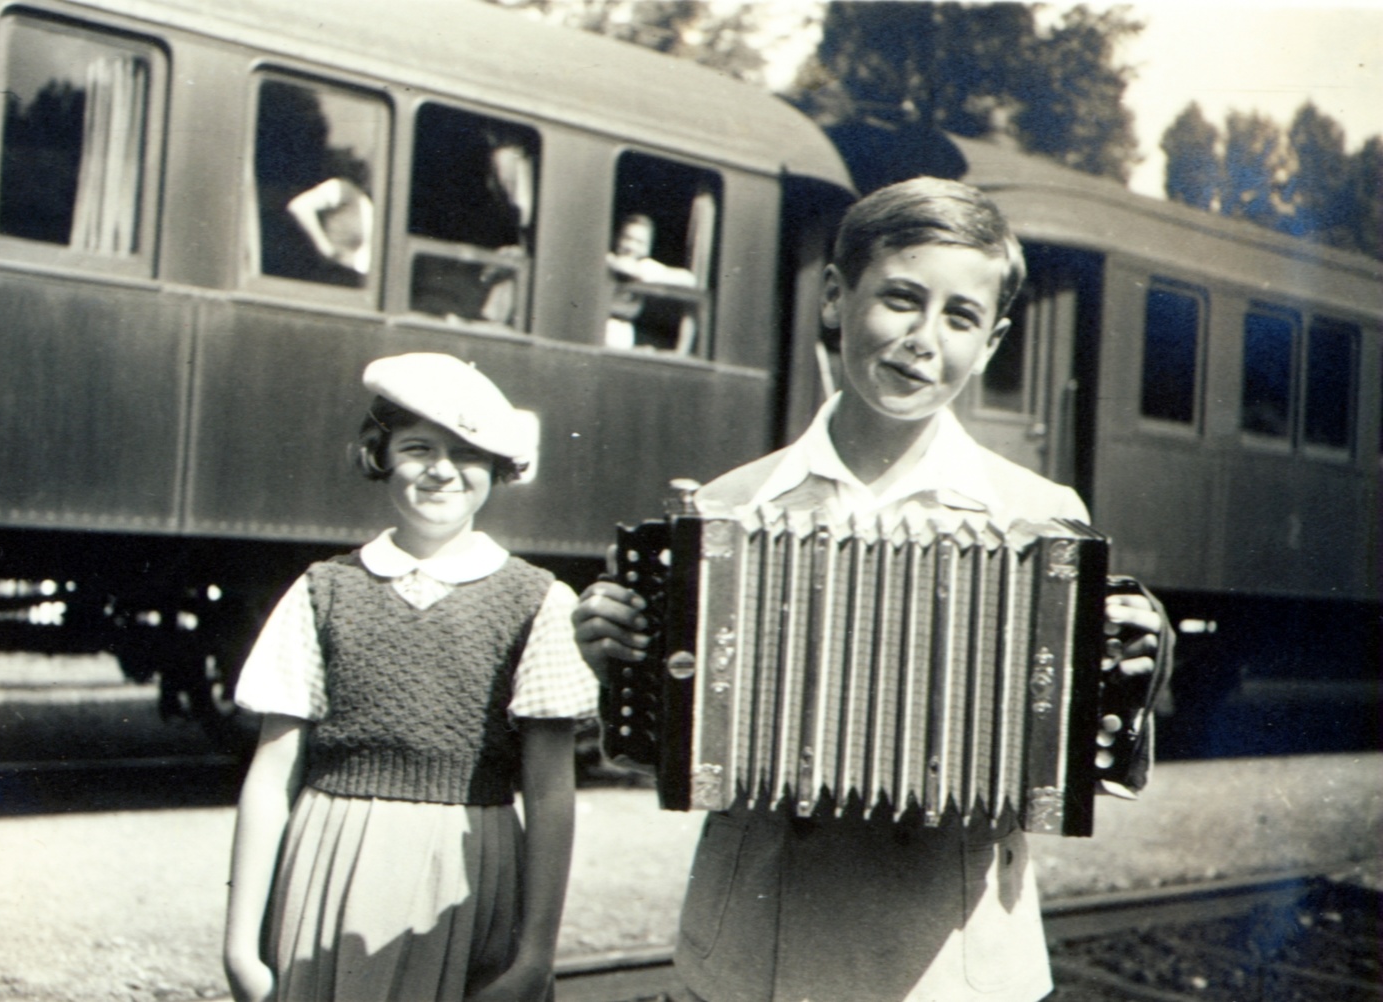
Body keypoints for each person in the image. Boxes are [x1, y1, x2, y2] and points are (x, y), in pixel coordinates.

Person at [572, 178, 1172, 1002]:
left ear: (992, 343)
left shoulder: (1043, 520)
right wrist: (625, 663)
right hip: (761, 948)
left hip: (953, 959)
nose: (924, 340)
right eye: (899, 298)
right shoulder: (726, 511)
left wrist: (1129, 672)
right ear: (833, 297)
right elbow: (663, 751)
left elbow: (1078, 754)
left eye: (960, 317)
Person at [224, 352, 599, 1002]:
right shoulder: (323, 592)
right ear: (380, 454)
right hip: (329, 870)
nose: (442, 470)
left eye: (468, 452)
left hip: (468, 878)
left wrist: (536, 954)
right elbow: (271, 774)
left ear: (498, 468)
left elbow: (549, 793)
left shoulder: (537, 602)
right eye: (418, 448)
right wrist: (240, 945)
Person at [605, 214, 697, 350]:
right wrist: (632, 270)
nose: (631, 246)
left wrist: (647, 273)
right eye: (627, 238)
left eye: (639, 242)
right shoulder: (607, 259)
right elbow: (620, 266)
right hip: (599, 325)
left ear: (646, 248)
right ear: (617, 238)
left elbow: (689, 279)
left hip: (624, 331)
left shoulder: (645, 267)